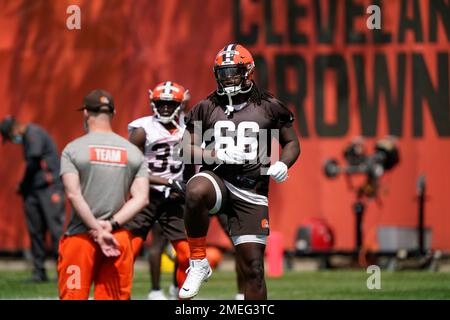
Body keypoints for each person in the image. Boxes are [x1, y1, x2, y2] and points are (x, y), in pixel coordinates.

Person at [179, 44, 301, 300]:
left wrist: (283, 164)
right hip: (219, 181)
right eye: (223, 73)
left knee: (254, 269)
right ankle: (199, 261)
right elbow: (186, 148)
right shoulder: (206, 106)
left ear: (248, 71)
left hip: (251, 188)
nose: (228, 78)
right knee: (196, 188)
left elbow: (291, 143)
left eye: (234, 71)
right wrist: (214, 155)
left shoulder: (269, 105)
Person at [58, 89, 149, 300]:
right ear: (113, 113)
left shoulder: (73, 149)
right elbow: (141, 198)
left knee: (73, 297)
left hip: (81, 237)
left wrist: (96, 229)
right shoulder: (132, 152)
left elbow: (74, 195)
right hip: (117, 238)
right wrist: (111, 225)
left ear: (86, 113)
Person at [124, 81, 191, 299]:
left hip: (174, 198)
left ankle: (182, 295)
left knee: (186, 255)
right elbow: (130, 167)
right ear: (153, 103)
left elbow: (191, 165)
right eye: (160, 103)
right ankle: (117, 294)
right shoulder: (143, 129)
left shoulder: (188, 129)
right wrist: (167, 182)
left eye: (170, 104)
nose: (164, 107)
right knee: (129, 251)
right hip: (145, 195)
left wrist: (186, 187)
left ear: (180, 105)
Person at [0, 116, 65, 283]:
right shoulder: (27, 138)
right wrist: (26, 188)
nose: (13, 140)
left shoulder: (33, 134)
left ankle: (64, 271)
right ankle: (39, 272)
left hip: (50, 189)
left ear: (15, 129)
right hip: (34, 191)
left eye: (10, 136)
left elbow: (33, 163)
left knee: (55, 230)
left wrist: (22, 184)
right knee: (36, 231)